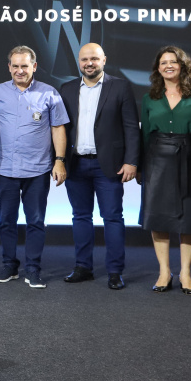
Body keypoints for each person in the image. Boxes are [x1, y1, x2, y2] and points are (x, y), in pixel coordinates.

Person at [59, 43, 140, 290]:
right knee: (80, 217)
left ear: (104, 60)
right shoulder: (67, 88)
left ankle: (115, 272)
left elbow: (131, 127)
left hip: (110, 165)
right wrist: (59, 160)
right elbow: (60, 128)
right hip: (76, 164)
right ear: (79, 62)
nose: (89, 63)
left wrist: (131, 161)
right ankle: (83, 267)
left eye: (94, 58)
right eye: (85, 59)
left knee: (112, 218)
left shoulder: (120, 86)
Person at [0, 46, 69, 289]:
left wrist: (60, 160)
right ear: (9, 67)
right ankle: (9, 265)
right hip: (4, 169)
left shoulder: (49, 93)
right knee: (6, 220)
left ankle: (33, 269)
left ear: (34, 66)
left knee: (36, 221)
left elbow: (58, 128)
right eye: (15, 66)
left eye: (24, 66)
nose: (20, 70)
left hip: (38, 170)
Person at [138, 46, 191, 295]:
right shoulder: (149, 97)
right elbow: (144, 135)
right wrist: (140, 167)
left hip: (189, 159)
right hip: (155, 161)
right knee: (158, 217)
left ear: (183, 66)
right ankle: (164, 272)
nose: (168, 66)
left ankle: (185, 273)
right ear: (158, 69)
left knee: (189, 218)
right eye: (163, 63)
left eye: (173, 62)